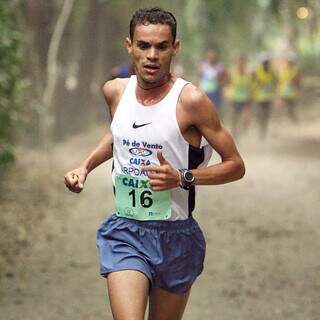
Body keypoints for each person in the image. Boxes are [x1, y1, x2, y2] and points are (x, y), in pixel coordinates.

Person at [64, 7, 245, 320]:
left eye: (162, 46)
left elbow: (235, 165)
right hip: (126, 231)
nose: (152, 55)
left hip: (176, 235)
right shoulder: (115, 91)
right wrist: (85, 166)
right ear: (129, 45)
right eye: (144, 45)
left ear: (175, 48)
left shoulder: (191, 101)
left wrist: (183, 177)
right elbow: (118, 135)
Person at [252, 53, 277, 140]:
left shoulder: (272, 71)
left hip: (268, 97)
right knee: (260, 115)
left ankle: (263, 131)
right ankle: (259, 129)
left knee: (266, 116)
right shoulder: (257, 71)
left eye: (267, 62)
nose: (266, 64)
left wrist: (274, 89)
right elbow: (253, 81)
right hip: (259, 97)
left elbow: (275, 81)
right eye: (264, 62)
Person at [228, 55, 252, 137]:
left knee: (245, 119)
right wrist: (230, 97)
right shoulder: (233, 74)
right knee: (235, 117)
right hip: (235, 98)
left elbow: (251, 87)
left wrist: (250, 98)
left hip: (246, 99)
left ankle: (243, 131)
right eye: (240, 62)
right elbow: (230, 85)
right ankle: (234, 133)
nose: (241, 64)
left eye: (243, 62)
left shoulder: (248, 74)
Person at [199, 49, 228, 113]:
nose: (211, 57)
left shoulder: (220, 66)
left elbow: (225, 78)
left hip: (215, 92)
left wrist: (223, 86)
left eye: (213, 56)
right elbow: (201, 77)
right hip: (205, 92)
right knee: (204, 110)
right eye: (210, 56)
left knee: (215, 110)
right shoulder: (203, 65)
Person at [276, 52, 301, 123]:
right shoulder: (283, 70)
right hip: (283, 93)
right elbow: (279, 82)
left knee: (290, 109)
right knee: (281, 110)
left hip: (293, 94)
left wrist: (293, 81)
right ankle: (281, 124)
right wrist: (278, 94)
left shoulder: (296, 70)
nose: (291, 63)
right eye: (290, 61)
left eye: (292, 61)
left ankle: (294, 122)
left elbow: (298, 82)